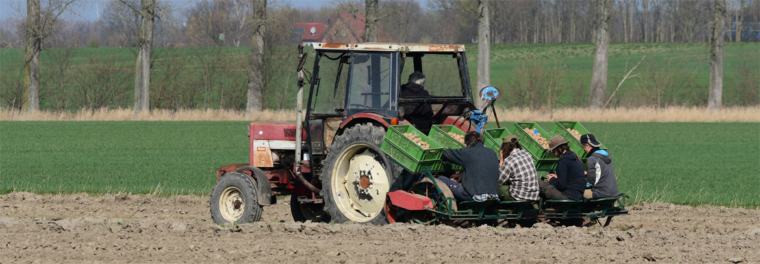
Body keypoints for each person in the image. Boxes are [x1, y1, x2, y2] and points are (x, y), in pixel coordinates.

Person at [437, 132, 500, 202]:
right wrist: (463, 174)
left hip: (476, 196)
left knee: (441, 179)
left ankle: (435, 208)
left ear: (469, 144)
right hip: (494, 196)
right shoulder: (492, 152)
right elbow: (482, 169)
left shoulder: (468, 152)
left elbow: (446, 153)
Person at [537, 136, 585, 200]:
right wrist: (557, 177)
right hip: (578, 195)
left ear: (557, 149)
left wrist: (551, 179)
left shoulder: (563, 161)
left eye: (553, 151)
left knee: (538, 182)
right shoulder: (575, 158)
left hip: (567, 195)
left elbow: (561, 186)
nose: (553, 153)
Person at [497, 135, 540, 201]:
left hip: (519, 195)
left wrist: (501, 162)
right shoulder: (527, 153)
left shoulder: (509, 160)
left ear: (506, 146)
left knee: (497, 189)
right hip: (534, 195)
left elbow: (499, 181)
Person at [581, 134, 619, 199]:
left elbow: (590, 182)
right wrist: (588, 172)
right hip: (614, 192)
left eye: (583, 147)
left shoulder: (592, 159)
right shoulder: (606, 156)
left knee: (576, 193)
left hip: (601, 193)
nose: (584, 150)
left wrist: (580, 185)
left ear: (587, 145)